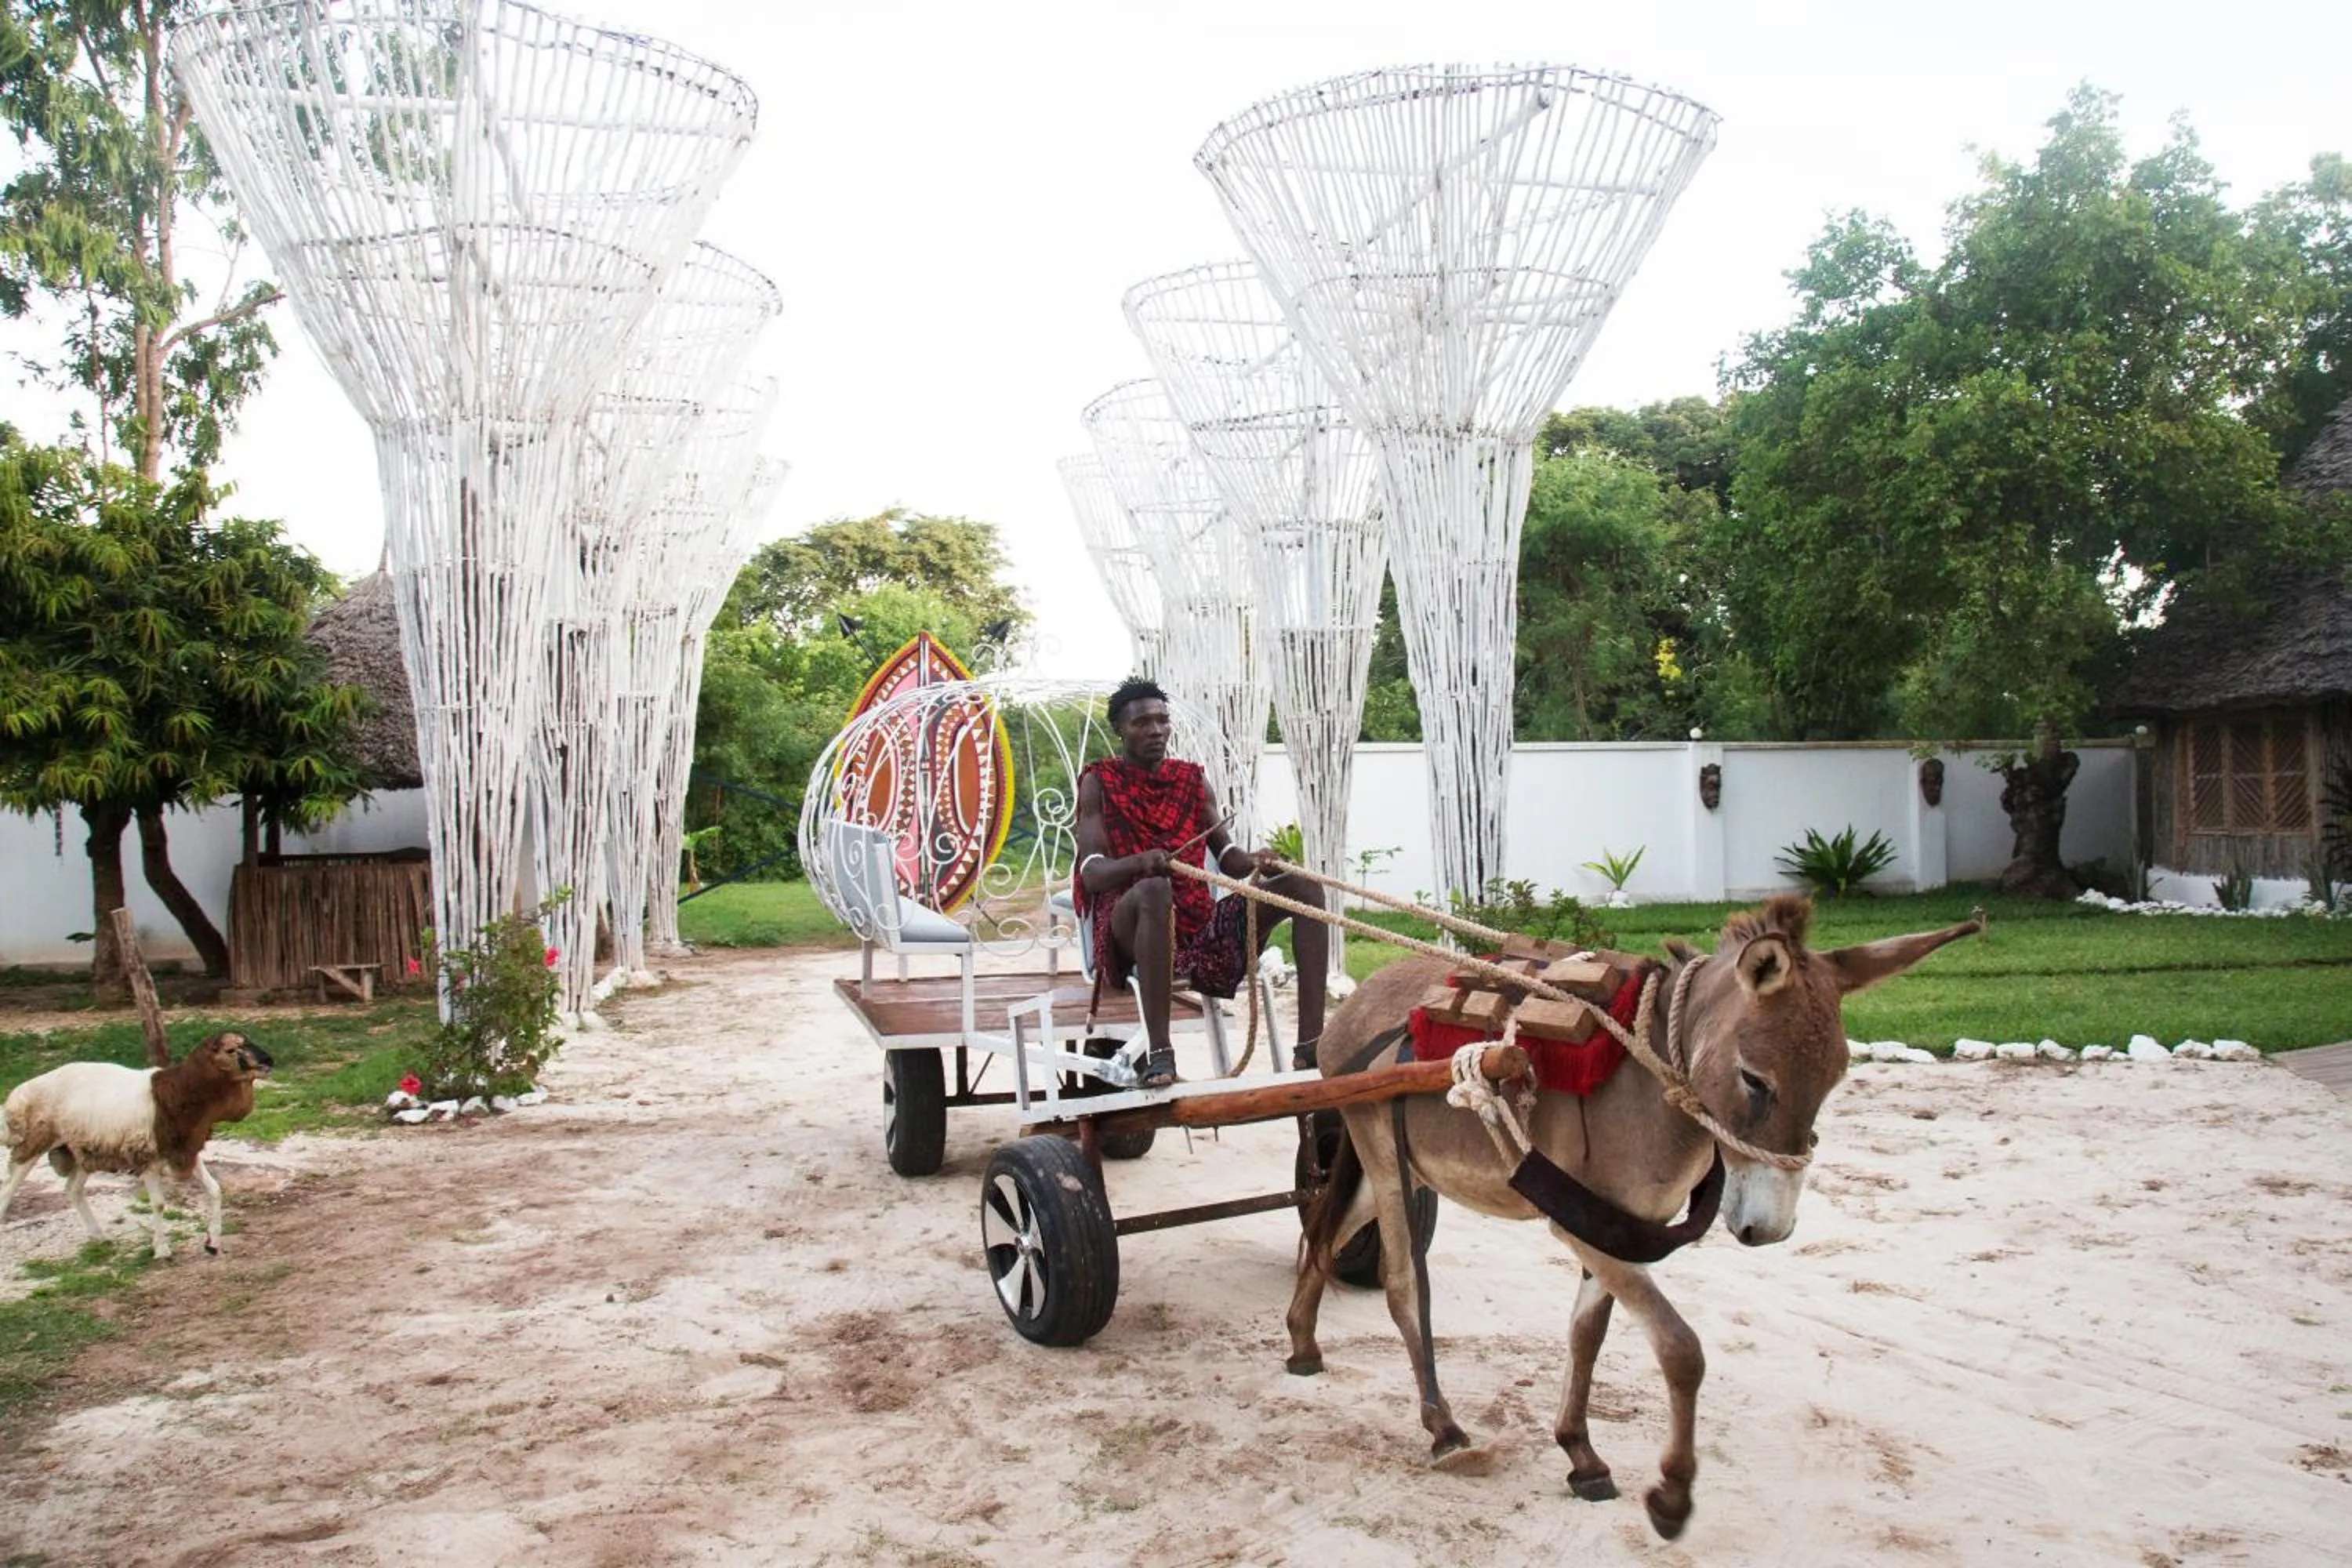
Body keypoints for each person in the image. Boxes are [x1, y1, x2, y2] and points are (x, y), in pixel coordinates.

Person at [1074, 677, 1329, 1088]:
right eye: (1142, 723)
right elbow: (1093, 872)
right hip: (1130, 922)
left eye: (1162, 721)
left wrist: (1256, 861)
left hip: (1198, 926)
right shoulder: (1099, 781)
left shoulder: (1192, 780)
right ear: (1120, 729)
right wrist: (1141, 863)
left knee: (1303, 887)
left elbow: (1228, 860)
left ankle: (1311, 1045)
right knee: (1156, 890)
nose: (1156, 731)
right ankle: (1161, 1054)